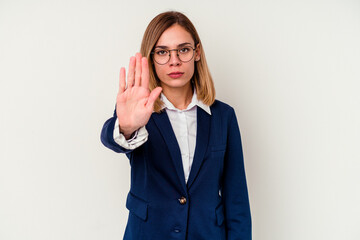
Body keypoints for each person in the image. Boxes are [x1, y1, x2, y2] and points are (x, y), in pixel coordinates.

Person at [101, 11, 251, 240]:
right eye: (162, 52)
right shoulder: (139, 112)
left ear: (197, 52)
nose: (174, 61)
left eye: (183, 49)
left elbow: (236, 198)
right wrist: (127, 127)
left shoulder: (224, 116)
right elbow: (112, 137)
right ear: (150, 58)